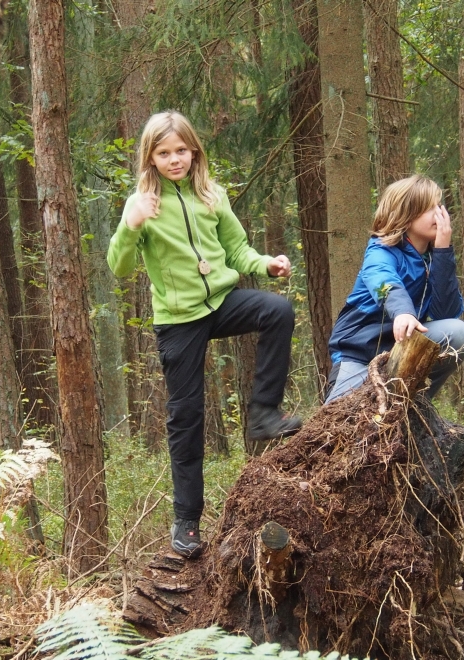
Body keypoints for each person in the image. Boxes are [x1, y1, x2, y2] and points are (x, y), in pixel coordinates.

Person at [107, 111, 301, 559]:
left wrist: (265, 264)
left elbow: (236, 249)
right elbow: (119, 268)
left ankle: (264, 414)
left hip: (220, 302)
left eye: (181, 150)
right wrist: (131, 222)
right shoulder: (142, 204)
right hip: (179, 319)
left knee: (277, 310)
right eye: (163, 153)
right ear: (150, 158)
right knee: (186, 417)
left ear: (194, 151)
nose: (174, 160)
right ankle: (187, 521)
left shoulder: (211, 194)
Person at [325, 175, 464, 404]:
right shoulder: (380, 250)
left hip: (404, 348)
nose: (440, 212)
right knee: (340, 422)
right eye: (430, 207)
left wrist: (443, 251)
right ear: (407, 214)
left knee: (458, 333)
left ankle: (412, 407)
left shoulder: (434, 258)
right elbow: (384, 281)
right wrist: (403, 311)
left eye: (439, 205)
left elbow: (446, 314)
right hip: (359, 352)